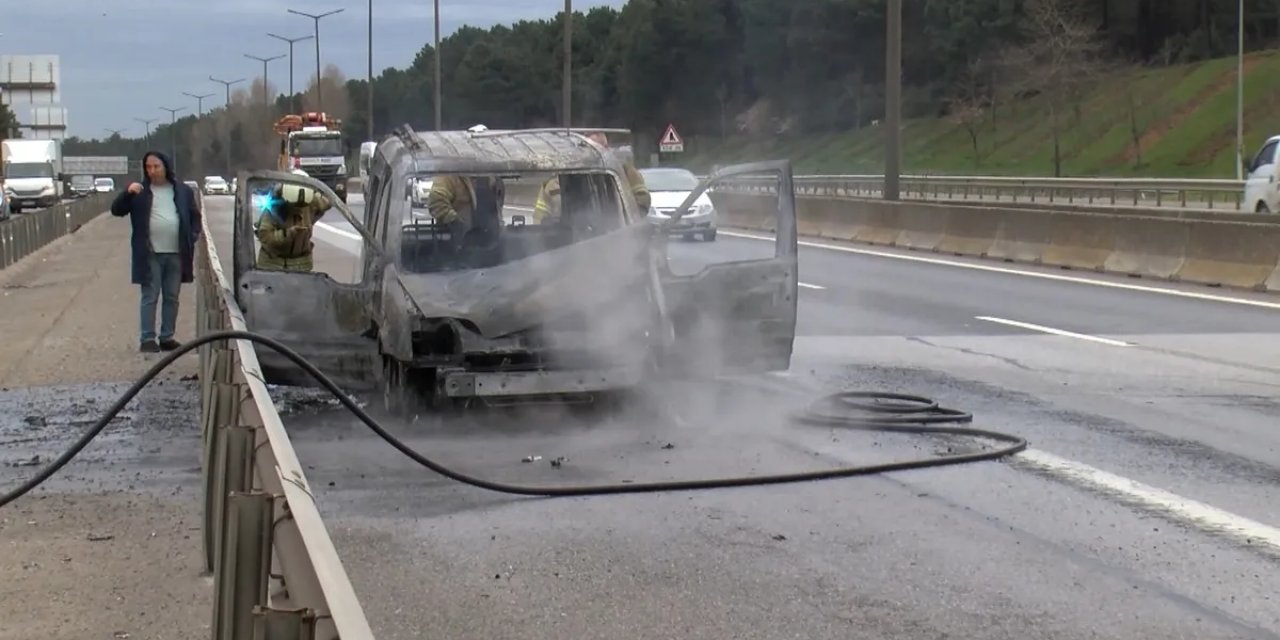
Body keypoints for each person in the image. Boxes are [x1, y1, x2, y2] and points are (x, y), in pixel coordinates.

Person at [110, 150, 202, 353]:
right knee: (150, 296)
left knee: (172, 296)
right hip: (149, 252)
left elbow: (195, 216)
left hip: (177, 252)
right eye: (148, 167)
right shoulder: (140, 191)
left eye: (156, 166)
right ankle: (147, 338)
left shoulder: (182, 190)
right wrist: (127, 192)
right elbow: (116, 210)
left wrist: (192, 235)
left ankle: (167, 336)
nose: (152, 171)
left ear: (165, 166)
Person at [254, 175, 333, 272]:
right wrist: (286, 234)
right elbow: (265, 236)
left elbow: (328, 202)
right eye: (295, 205)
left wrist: (314, 192)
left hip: (301, 266)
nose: (299, 208)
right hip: (274, 266)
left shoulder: (311, 204)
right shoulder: (274, 207)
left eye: (303, 205)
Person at [426, 174, 505, 241]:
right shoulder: (448, 176)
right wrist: (455, 222)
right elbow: (436, 202)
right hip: (457, 244)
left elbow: (498, 207)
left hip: (492, 241)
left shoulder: (492, 176)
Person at [586, 132, 651, 213]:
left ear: (605, 147)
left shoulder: (623, 169)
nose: (591, 152)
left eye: (595, 147)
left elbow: (643, 200)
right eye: (587, 148)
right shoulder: (579, 171)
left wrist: (630, 218)